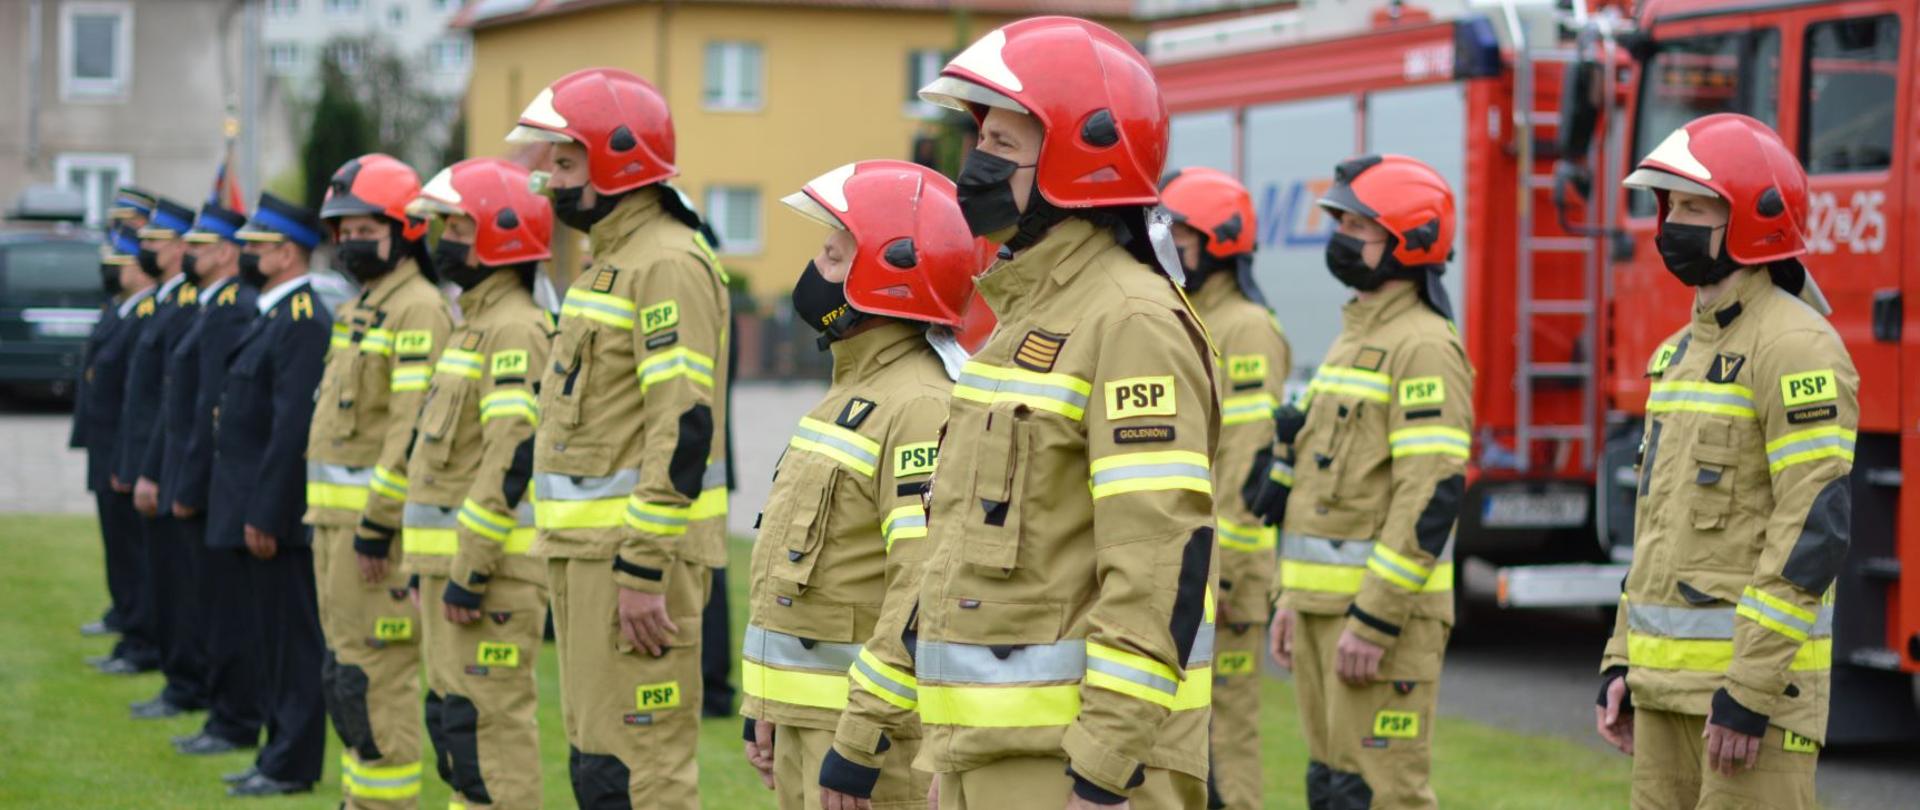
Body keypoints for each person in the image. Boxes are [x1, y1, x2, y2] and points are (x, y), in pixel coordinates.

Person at [892, 17, 1219, 808]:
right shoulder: (1026, 317)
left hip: (1078, 769)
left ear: (1082, 154)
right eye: (981, 140)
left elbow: (1156, 561)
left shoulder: (1130, 320)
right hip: (992, 755)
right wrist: (950, 758)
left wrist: (1102, 769)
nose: (975, 164)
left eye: (1002, 144)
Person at [1594, 113, 1856, 810]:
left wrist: (1749, 690)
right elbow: (1657, 530)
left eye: (1693, 208)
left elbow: (1811, 532)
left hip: (1751, 707)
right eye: (1670, 207)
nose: (1670, 225)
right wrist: (1622, 661)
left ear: (1751, 219)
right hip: (1663, 696)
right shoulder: (1678, 355)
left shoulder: (1796, 347)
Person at [507, 66, 733, 809]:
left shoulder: (666, 262)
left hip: (633, 566)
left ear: (618, 160)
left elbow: (683, 423)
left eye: (565, 163)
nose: (550, 182)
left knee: (642, 771)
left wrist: (642, 566)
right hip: (587, 558)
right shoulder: (613, 261)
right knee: (600, 766)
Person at [732, 159, 980, 810]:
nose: (814, 269)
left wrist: (862, 740)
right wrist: (765, 702)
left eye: (833, 255)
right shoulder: (852, 392)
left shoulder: (920, 405)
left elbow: (920, 589)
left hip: (867, 749)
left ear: (887, 275)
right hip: (807, 729)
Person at [1266, 154, 1472, 810]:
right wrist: (1291, 597)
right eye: (1340, 223)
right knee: (1333, 790)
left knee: (1384, 796)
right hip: (1323, 614)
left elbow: (1430, 493)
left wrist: (1376, 619)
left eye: (1359, 226)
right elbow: (1319, 487)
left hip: (1380, 625)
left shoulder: (1424, 347)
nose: (1341, 238)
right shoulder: (1351, 339)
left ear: (1411, 239)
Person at [388, 157, 555, 809]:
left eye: (458, 228)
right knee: (458, 733)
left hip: (491, 576)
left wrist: (471, 569)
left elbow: (510, 455)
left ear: (499, 235)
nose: (444, 241)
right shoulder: (474, 325)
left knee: (490, 735)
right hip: (450, 571)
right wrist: (424, 567)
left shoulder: (515, 328)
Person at [308, 153, 452, 809]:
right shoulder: (361, 307)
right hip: (334, 531)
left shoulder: (418, 311)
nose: (350, 243)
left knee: (377, 679)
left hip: (374, 540)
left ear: (407, 230)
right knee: (347, 677)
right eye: (343, 231)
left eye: (366, 230)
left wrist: (376, 525)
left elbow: (410, 429)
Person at [1160, 166, 1290, 810]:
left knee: (1228, 734)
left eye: (1182, 236)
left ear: (1219, 241)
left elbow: (1246, 455)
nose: (1170, 247)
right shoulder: (1188, 315)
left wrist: (1233, 572)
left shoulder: (1246, 328)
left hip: (1227, 573)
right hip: (1189, 564)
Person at [215, 192, 333, 797]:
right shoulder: (275, 314)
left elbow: (291, 431)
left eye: (256, 248)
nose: (245, 256)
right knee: (270, 641)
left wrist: (265, 512)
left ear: (287, 254)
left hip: (279, 515)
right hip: (257, 506)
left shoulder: (303, 321)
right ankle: (273, 753)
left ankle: (291, 763)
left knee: (292, 643)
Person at [168, 202, 267, 757]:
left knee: (227, 612)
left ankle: (233, 719)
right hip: (208, 482)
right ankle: (221, 713)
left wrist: (188, 486)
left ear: (227, 252)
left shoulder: (231, 310)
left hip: (216, 485)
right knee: (210, 607)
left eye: (200, 246)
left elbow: (211, 406)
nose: (188, 254)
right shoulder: (215, 306)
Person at [124, 197, 210, 720]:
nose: (145, 250)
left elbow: (177, 398)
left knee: (184, 585)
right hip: (162, 460)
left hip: (176, 465)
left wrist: (154, 468)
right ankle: (177, 676)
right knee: (169, 580)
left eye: (155, 241)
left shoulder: (191, 305)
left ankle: (187, 682)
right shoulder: (170, 302)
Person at [79, 222, 162, 674]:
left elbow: (140, 395)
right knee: (121, 548)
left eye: (122, 263)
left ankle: (140, 639)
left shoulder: (147, 312)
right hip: (111, 445)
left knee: (134, 554)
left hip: (125, 450)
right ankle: (128, 625)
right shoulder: (123, 310)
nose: (114, 272)